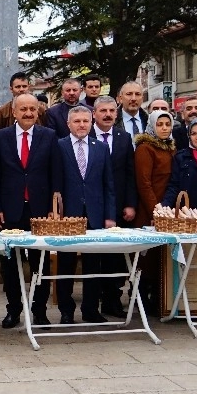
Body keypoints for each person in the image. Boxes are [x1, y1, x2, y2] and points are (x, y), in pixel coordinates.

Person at [0, 94, 59, 328]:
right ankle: (14, 310)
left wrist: (52, 208)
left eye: (33, 109)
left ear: (38, 111)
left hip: (40, 210)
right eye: (23, 109)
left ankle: (39, 311)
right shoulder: (0, 137)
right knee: (10, 264)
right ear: (15, 112)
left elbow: (55, 175)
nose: (28, 113)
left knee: (41, 262)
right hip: (11, 209)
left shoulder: (49, 137)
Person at [53, 106, 117, 324]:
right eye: (77, 121)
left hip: (95, 214)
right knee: (66, 263)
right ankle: (66, 310)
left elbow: (108, 184)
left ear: (91, 123)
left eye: (85, 121)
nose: (81, 125)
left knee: (93, 263)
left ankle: (90, 309)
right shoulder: (59, 146)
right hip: (68, 215)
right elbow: (55, 183)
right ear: (68, 124)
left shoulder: (100, 148)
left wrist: (110, 216)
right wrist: (56, 213)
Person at [90, 96, 137, 317]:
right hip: (90, 205)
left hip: (117, 205)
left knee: (115, 257)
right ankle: (92, 302)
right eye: (102, 111)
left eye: (111, 110)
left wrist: (130, 204)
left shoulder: (124, 138)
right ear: (94, 113)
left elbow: (130, 173)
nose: (107, 114)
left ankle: (112, 300)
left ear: (116, 113)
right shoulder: (83, 134)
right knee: (94, 256)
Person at [132, 110, 177, 311]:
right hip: (149, 210)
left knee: (161, 257)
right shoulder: (145, 148)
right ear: (152, 126)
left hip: (167, 208)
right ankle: (141, 299)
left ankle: (161, 298)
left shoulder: (170, 147)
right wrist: (154, 210)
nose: (165, 128)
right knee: (146, 258)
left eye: (168, 124)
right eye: (160, 124)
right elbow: (144, 183)